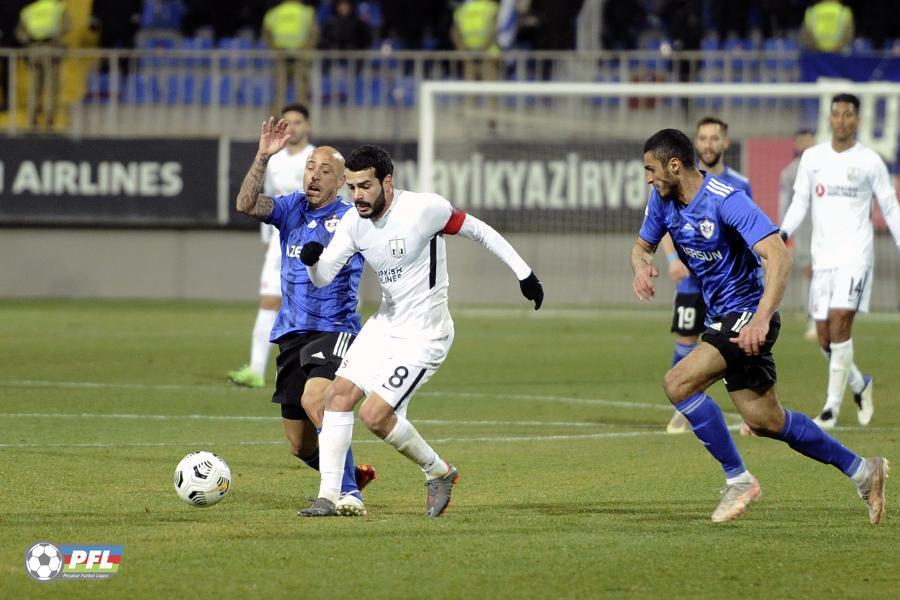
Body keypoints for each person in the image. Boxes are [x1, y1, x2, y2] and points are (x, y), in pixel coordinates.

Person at [632, 127, 888, 524]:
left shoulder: (727, 200)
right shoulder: (662, 200)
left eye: (651, 169)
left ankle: (738, 480)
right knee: (767, 420)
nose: (648, 178)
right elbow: (641, 246)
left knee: (678, 383)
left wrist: (762, 318)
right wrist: (641, 266)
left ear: (675, 165)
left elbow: (778, 256)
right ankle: (863, 471)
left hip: (749, 313)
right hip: (722, 319)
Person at [296, 144, 544, 517]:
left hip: (425, 335)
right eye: (352, 187)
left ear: (387, 182)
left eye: (365, 186)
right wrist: (313, 263)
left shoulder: (424, 210)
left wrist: (524, 274)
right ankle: (328, 497)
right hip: (385, 326)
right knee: (337, 396)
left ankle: (438, 471)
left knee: (374, 416)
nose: (358, 196)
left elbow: (480, 231)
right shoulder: (353, 222)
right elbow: (323, 276)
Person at [236, 117, 376, 516]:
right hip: (291, 334)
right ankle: (351, 475)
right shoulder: (291, 208)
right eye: (310, 167)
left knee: (318, 399)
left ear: (341, 182)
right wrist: (262, 156)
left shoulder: (352, 219)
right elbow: (245, 204)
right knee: (299, 445)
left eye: (325, 171)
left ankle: (346, 494)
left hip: (335, 330)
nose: (314, 175)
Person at [780, 93, 900, 429]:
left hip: (856, 256)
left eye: (849, 114)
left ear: (857, 120)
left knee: (840, 322)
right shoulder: (813, 158)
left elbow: (890, 206)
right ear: (829, 119)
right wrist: (783, 233)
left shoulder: (870, 161)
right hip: (823, 259)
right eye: (837, 114)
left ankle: (831, 409)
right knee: (824, 338)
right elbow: (800, 201)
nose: (842, 120)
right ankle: (860, 384)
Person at [665, 116, 753, 434]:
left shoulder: (740, 185)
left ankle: (753, 411)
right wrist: (672, 259)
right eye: (702, 138)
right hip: (692, 281)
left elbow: (750, 230)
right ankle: (682, 405)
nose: (708, 144)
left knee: (740, 345)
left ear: (725, 143)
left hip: (729, 287)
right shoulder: (680, 181)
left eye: (714, 138)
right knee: (686, 338)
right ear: (695, 143)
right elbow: (663, 221)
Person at [229, 104, 314, 389]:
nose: (293, 127)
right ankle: (255, 370)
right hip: (279, 240)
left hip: (308, 240)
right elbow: (264, 198)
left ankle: (305, 371)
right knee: (268, 300)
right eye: (287, 122)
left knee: (307, 305)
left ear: (307, 126)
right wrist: (267, 237)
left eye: (298, 122)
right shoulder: (274, 159)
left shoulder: (316, 158)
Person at [777, 129, 818, 341]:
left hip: (828, 231)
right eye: (802, 141)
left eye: (809, 140)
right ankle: (813, 319)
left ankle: (824, 316)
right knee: (810, 273)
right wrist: (785, 235)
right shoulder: (790, 173)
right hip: (804, 232)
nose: (806, 144)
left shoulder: (825, 166)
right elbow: (785, 205)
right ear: (796, 144)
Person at [15, 0, 70, 128]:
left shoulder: (28, 10)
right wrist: (54, 37)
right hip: (52, 49)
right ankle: (49, 119)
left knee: (34, 86)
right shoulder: (58, 8)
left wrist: (30, 40)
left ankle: (32, 119)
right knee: (52, 86)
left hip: (34, 49)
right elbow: (66, 27)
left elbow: (19, 33)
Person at [262, 0, 318, 109]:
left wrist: (276, 51)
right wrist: (304, 51)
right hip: (300, 58)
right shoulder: (306, 12)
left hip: (281, 56)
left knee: (279, 92)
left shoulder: (273, 13)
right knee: (301, 93)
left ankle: (277, 118)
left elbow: (266, 34)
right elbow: (314, 34)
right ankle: (302, 117)